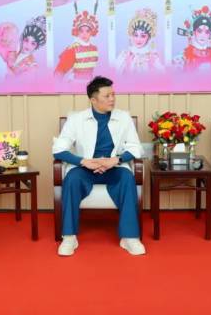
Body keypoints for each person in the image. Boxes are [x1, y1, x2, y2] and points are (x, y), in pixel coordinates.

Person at [52, 76, 145, 256]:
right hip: (85, 168)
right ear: (93, 100)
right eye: (107, 96)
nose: (112, 99)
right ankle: (69, 237)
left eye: (113, 94)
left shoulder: (123, 118)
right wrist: (83, 161)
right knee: (71, 179)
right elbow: (58, 149)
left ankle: (130, 238)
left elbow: (136, 147)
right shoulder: (76, 119)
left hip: (114, 167)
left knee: (127, 178)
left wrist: (115, 160)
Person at [114, 8, 164, 74]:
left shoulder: (153, 57)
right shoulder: (124, 55)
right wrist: (127, 65)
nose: (138, 39)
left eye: (143, 36)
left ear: (148, 38)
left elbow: (161, 76)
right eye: (135, 35)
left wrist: (151, 67)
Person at [54, 8, 99, 81]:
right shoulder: (73, 49)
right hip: (76, 83)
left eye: (87, 31)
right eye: (81, 31)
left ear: (92, 32)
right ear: (77, 32)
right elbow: (60, 70)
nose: (84, 34)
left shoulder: (94, 49)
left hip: (90, 83)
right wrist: (57, 83)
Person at [175, 5, 211, 71]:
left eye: (207, 32)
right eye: (199, 31)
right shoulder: (183, 57)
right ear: (194, 32)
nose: (203, 35)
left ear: (210, 34)